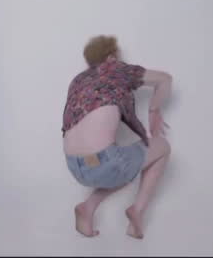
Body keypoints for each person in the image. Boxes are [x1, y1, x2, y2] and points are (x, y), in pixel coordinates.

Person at [62, 35, 173, 239]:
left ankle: (88, 207)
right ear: (111, 57)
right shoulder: (115, 69)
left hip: (74, 167)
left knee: (125, 166)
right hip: (105, 163)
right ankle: (137, 211)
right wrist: (154, 110)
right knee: (163, 147)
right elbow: (165, 79)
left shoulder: (78, 80)